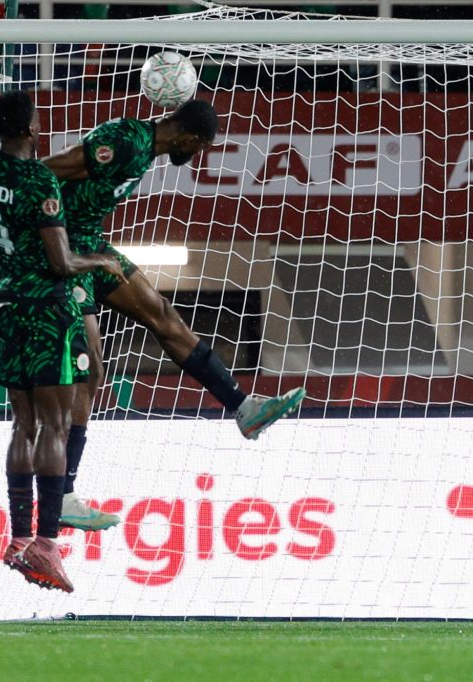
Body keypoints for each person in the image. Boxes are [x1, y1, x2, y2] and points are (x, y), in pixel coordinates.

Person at [41, 100, 306, 530]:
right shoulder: (124, 141)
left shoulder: (144, 150)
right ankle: (62, 496)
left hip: (92, 245)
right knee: (89, 372)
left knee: (163, 315)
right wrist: (34, 226)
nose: (198, 155)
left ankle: (244, 408)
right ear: (188, 137)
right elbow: (46, 171)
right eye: (201, 147)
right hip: (65, 252)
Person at [0, 89, 127, 592]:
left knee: (23, 424)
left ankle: (19, 539)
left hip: (3, 305)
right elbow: (62, 262)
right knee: (55, 424)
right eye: (39, 119)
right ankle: (45, 543)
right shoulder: (41, 180)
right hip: (46, 309)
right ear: (31, 128)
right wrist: (102, 260)